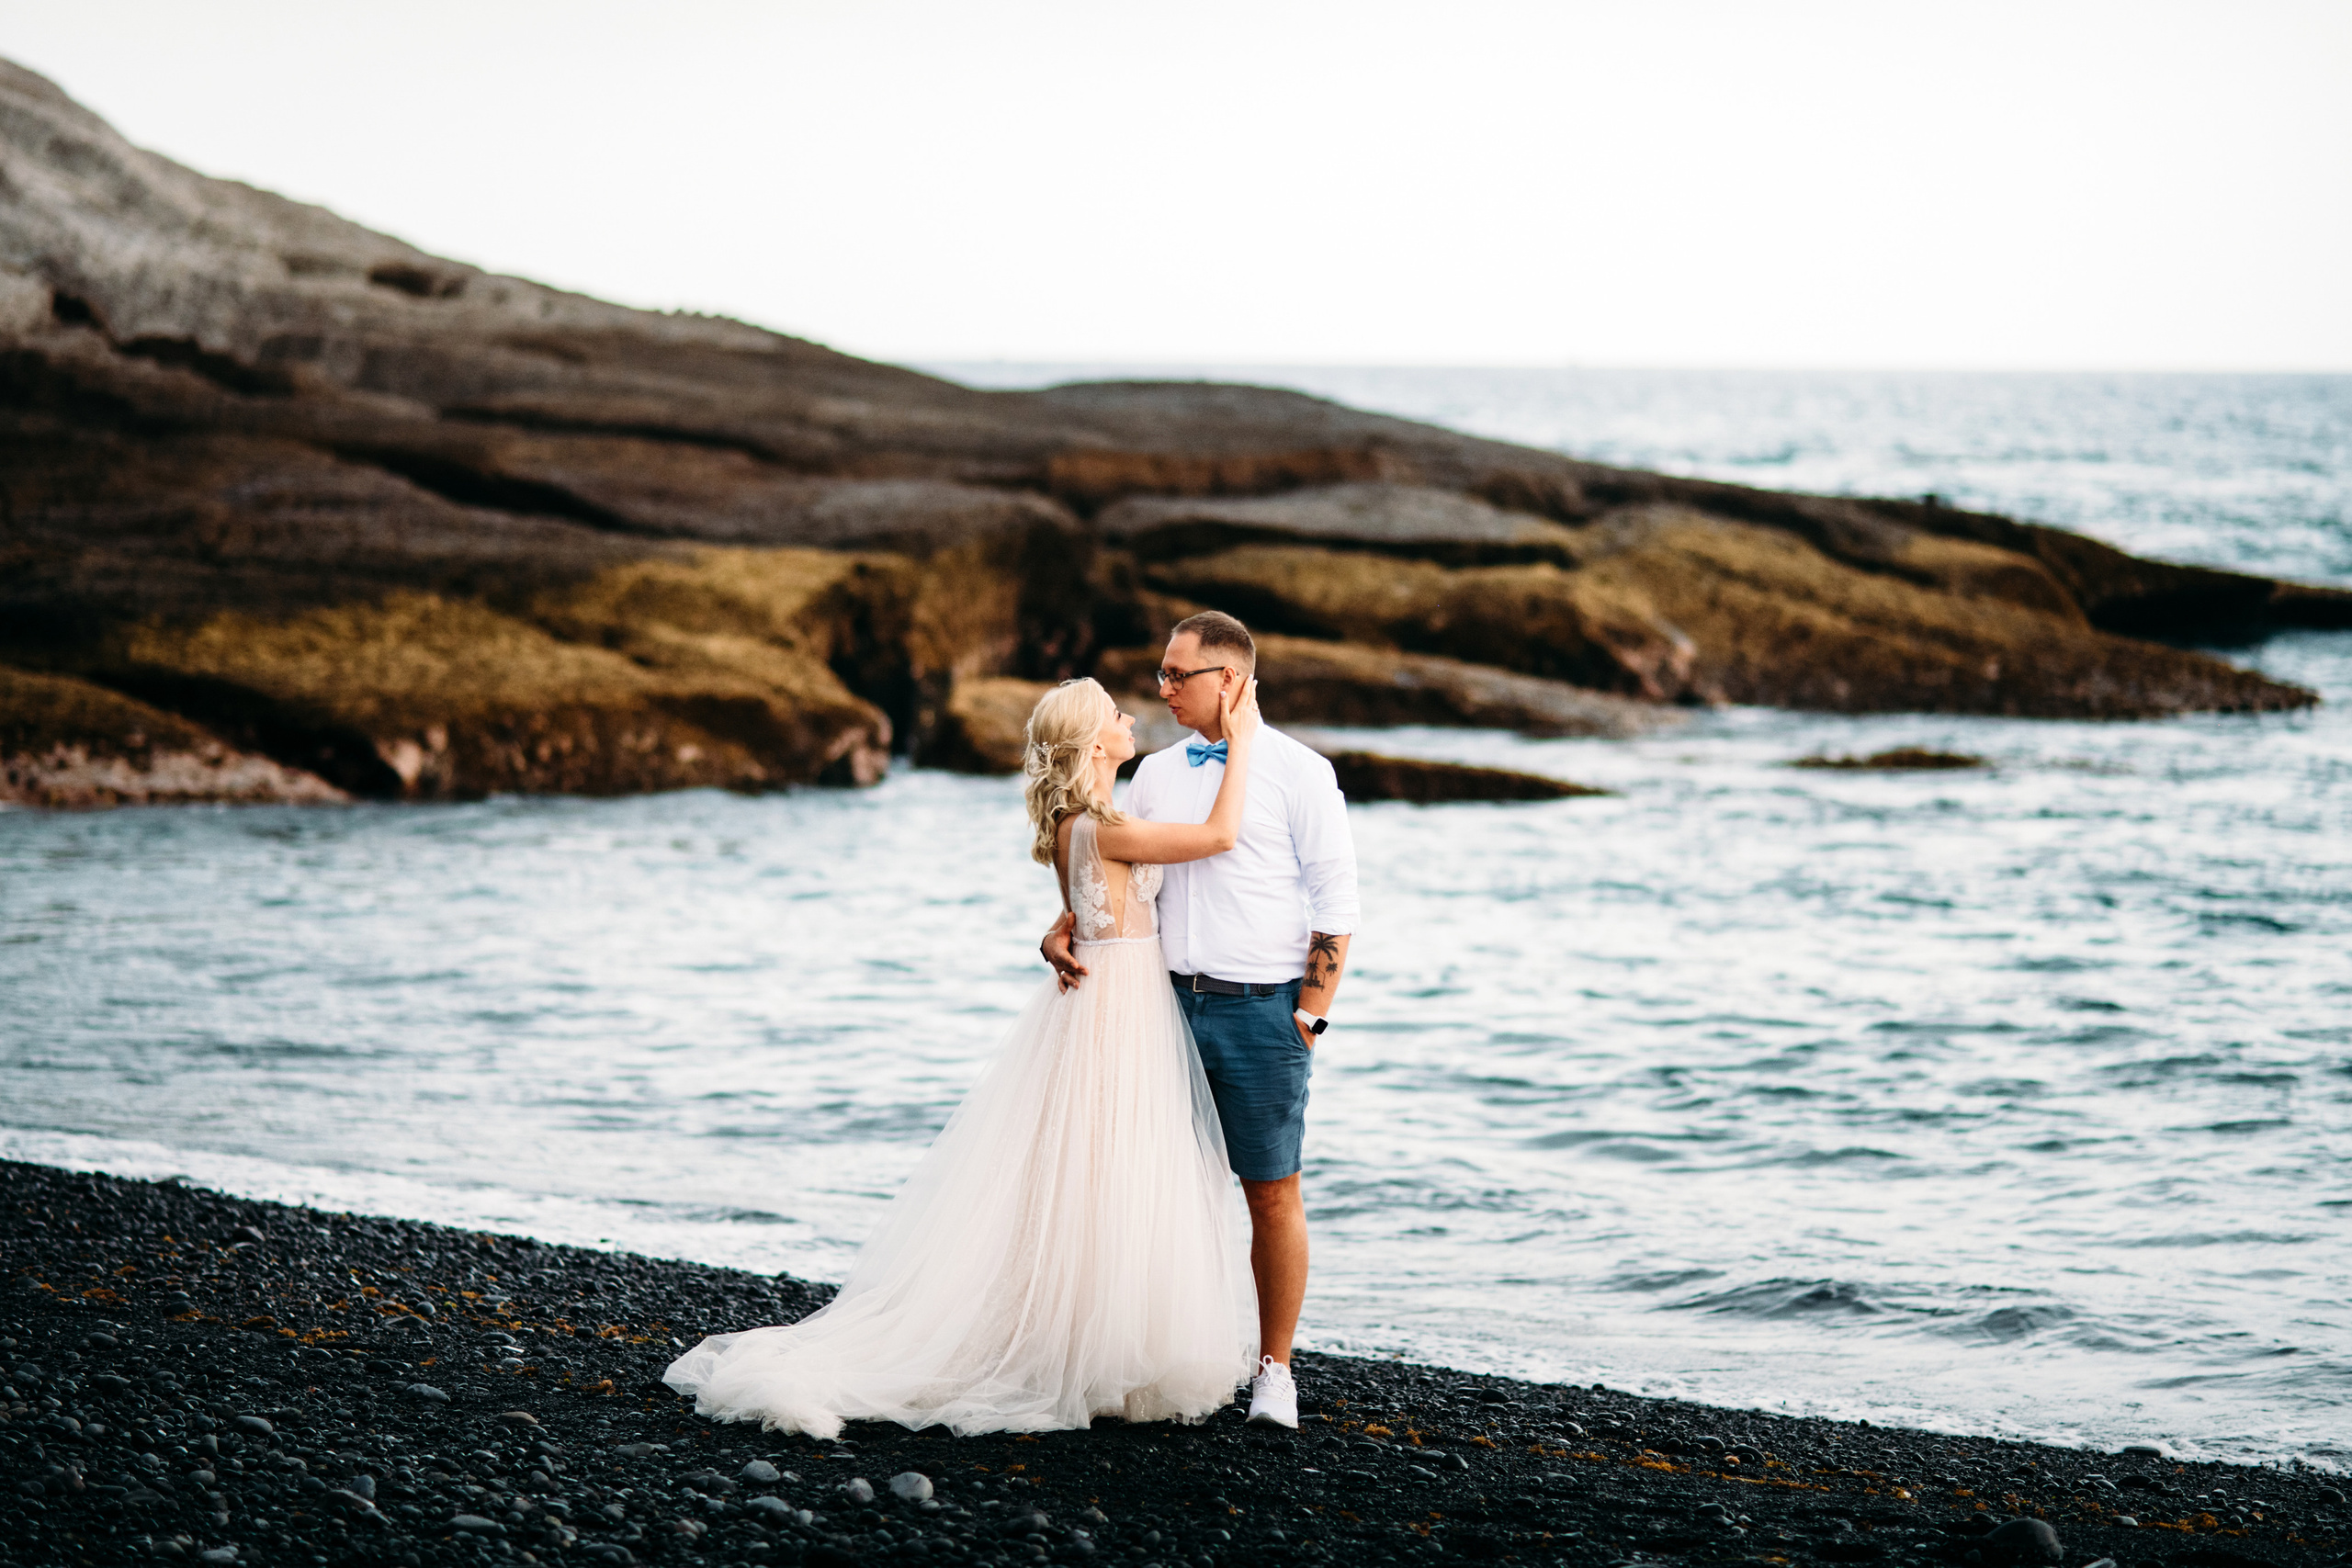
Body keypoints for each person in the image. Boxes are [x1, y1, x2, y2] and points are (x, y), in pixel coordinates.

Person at [663, 674, 1266, 1438]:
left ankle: (1095, 1337)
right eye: (1115, 712)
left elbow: (1094, 898)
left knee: (1100, 1170)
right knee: (1106, 1165)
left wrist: (1058, 929)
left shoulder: (1090, 820)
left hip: (1112, 998)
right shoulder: (1099, 825)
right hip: (1115, 1008)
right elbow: (1217, 837)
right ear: (1092, 744)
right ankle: (1082, 1347)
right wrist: (1242, 741)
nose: (1129, 716)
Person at [1042, 610, 1358, 1430]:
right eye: (1160, 674)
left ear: (1233, 679)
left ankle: (1274, 1371)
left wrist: (1310, 1018)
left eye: (1178, 675)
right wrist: (1062, 925)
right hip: (1159, 1007)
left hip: (1263, 1015)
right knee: (1152, 1189)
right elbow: (1116, 879)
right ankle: (1147, 1355)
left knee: (1272, 1193)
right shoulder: (1151, 775)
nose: (1162, 688)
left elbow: (1337, 904)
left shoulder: (1300, 772)